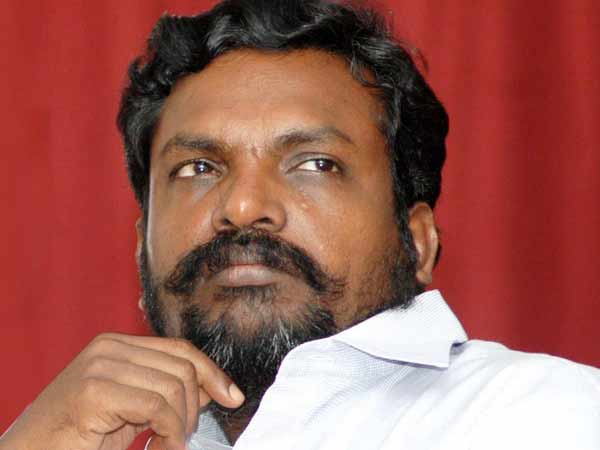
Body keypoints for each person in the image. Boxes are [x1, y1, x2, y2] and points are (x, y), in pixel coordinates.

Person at [1, 0, 599, 449]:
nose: (242, 206)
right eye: (198, 168)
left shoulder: (552, 418)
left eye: (314, 164)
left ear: (416, 243)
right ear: (141, 251)